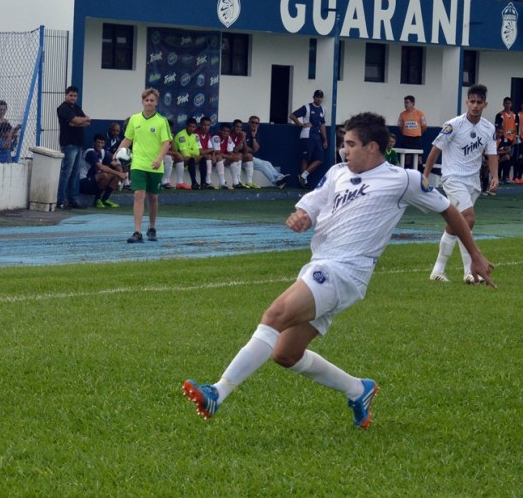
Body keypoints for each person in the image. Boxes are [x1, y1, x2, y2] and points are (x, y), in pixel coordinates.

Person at [182, 112, 496, 428]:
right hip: (321, 265)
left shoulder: (405, 180)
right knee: (285, 354)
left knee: (274, 316)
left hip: (344, 272)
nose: (344, 150)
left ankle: (217, 393)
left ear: (373, 147)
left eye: (350, 144)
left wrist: (476, 256)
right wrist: (301, 216)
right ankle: (358, 389)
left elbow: (450, 212)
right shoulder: (337, 173)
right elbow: (311, 205)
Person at [423, 84, 498, 285]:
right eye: (472, 101)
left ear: (485, 104)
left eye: (479, 102)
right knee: (469, 218)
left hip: (473, 182)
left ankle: (439, 271)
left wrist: (495, 176)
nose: (475, 105)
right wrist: (426, 175)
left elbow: (492, 153)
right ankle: (468, 271)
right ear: (466, 102)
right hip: (453, 178)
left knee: (458, 224)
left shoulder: (488, 128)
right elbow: (435, 149)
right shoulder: (453, 125)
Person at [116, 88, 171, 243]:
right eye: (146, 100)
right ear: (142, 101)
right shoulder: (134, 119)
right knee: (138, 195)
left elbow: (166, 142)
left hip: (155, 166)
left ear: (156, 102)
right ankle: (137, 232)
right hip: (138, 164)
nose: (149, 103)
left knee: (153, 197)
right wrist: (117, 152)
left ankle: (152, 227)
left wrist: (159, 159)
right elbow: (128, 139)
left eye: (152, 100)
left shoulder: (162, 121)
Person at [57, 86, 90, 209]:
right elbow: (76, 120)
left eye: (75, 95)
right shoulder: (63, 108)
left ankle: (72, 200)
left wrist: (78, 121)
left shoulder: (76, 108)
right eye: (70, 95)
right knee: (66, 172)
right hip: (68, 144)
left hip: (78, 144)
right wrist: (79, 121)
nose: (73, 97)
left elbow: (87, 122)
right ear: (66, 95)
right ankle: (60, 200)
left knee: (75, 173)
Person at [290, 90, 327, 188]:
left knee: (320, 159)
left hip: (317, 136)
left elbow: (322, 125)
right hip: (307, 135)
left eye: (320, 97)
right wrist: (300, 124)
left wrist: (325, 139)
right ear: (313, 97)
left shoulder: (323, 109)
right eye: (317, 97)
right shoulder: (307, 107)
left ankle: (303, 176)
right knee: (306, 157)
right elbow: (292, 115)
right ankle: (303, 183)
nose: (319, 99)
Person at [80, 133, 126, 208]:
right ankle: (97, 200)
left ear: (104, 144)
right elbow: (101, 167)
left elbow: (113, 163)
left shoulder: (103, 152)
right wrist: (118, 173)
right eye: (98, 142)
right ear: (94, 143)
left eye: (102, 143)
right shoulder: (90, 152)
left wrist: (119, 168)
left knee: (116, 175)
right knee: (104, 175)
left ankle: (105, 199)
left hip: (94, 182)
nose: (100, 145)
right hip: (83, 182)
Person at [245, 116, 290, 188]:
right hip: (242, 160)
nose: (254, 124)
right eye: (252, 122)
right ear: (248, 123)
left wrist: (253, 137)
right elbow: (245, 149)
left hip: (250, 159)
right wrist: (252, 149)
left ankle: (279, 177)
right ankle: (276, 181)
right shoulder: (244, 132)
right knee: (263, 166)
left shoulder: (255, 134)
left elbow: (255, 149)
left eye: (256, 123)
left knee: (267, 163)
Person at [0, 99, 22, 164]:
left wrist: (15, 130)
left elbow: (9, 132)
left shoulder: (5, 120)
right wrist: (6, 132)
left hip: (5, 147)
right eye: (0, 109)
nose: (2, 112)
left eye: (4, 110)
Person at [396, 95, 427, 167]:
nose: (405, 105)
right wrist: (406, 132)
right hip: (406, 138)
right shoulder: (402, 114)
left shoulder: (419, 113)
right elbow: (400, 126)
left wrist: (418, 133)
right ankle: (406, 173)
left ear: (413, 103)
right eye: (404, 103)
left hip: (416, 139)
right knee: (406, 158)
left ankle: (420, 174)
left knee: (419, 159)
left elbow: (424, 126)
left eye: (407, 103)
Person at [172, 118, 201, 190]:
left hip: (186, 159)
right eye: (190, 126)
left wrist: (190, 152)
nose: (191, 129)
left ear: (196, 127)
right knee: (191, 159)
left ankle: (204, 183)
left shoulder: (194, 136)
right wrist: (192, 152)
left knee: (203, 158)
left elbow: (197, 152)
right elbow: (184, 153)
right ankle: (193, 183)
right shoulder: (181, 135)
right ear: (186, 126)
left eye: (193, 127)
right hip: (177, 159)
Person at [195, 116, 216, 189]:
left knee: (211, 157)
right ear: (200, 125)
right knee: (208, 156)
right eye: (204, 125)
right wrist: (212, 150)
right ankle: (207, 181)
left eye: (208, 125)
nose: (206, 127)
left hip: (202, 157)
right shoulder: (196, 134)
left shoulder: (207, 135)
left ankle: (208, 181)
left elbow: (212, 149)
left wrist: (213, 155)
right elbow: (200, 152)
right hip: (193, 156)